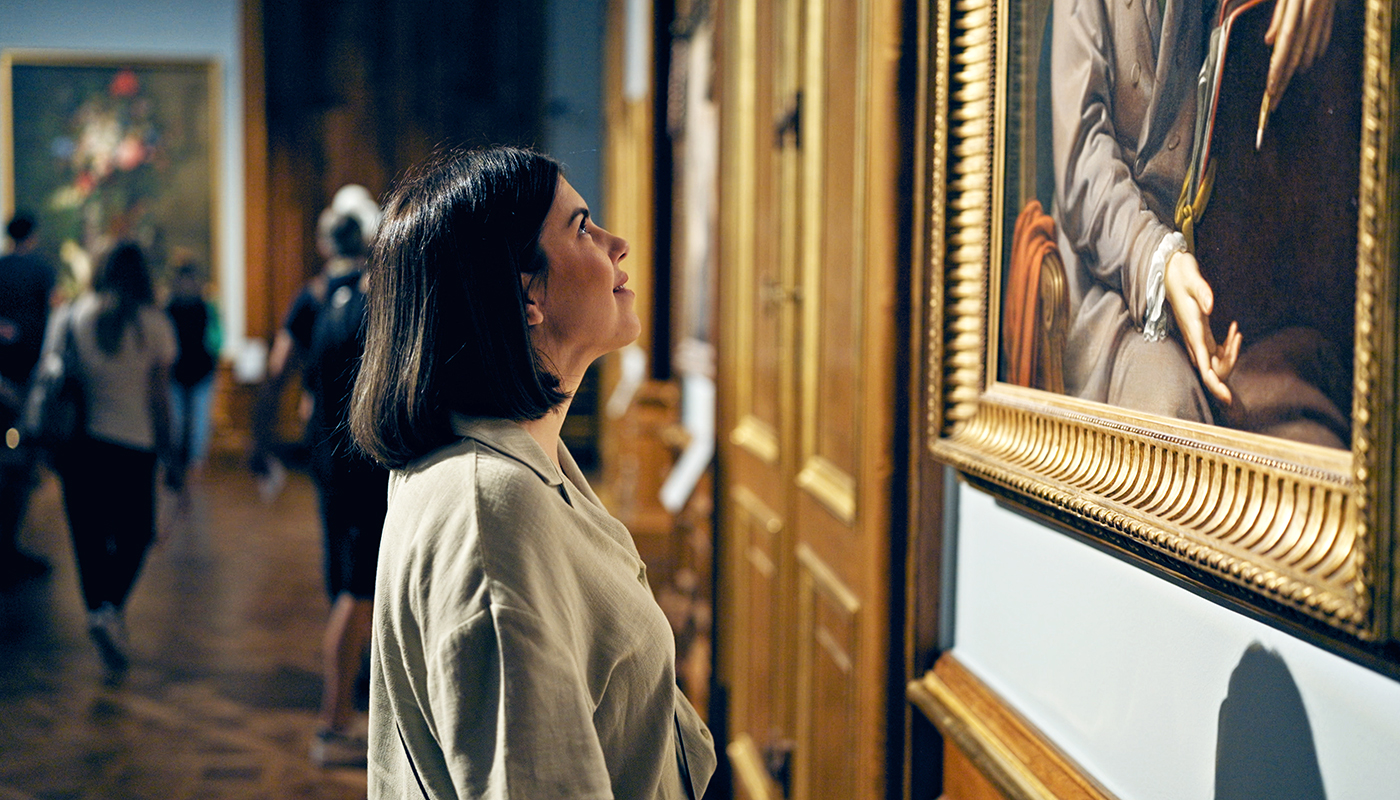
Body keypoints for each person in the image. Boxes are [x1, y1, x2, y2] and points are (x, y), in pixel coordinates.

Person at [349, 146, 716, 799]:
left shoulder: (526, 464)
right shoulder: (493, 507)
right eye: (582, 227)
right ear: (527, 293)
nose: (618, 243)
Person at [1050, 0, 1339, 426]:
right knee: (1173, 413)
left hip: (1228, 286)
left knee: (1311, 419)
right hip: (1110, 283)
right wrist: (1160, 263)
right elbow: (1082, 172)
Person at [48, 242, 175, 680]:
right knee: (137, 534)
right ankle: (111, 608)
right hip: (133, 447)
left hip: (82, 447)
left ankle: (98, 609)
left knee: (88, 536)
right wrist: (171, 452)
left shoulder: (76, 315)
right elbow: (160, 399)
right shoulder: (154, 325)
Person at [303, 215, 389, 767]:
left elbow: (313, 386)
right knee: (356, 592)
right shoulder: (363, 308)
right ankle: (332, 727)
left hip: (333, 463)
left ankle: (338, 721)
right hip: (359, 468)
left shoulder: (329, 302)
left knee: (349, 587)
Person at [250, 186, 379, 489]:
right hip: (373, 432)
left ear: (325, 244)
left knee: (334, 527)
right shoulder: (378, 296)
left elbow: (278, 369)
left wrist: (261, 437)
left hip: (324, 429)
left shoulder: (312, 297)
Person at [0, 214, 58, 587]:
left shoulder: (2, 269)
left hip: (4, 382)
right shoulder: (40, 270)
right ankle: (8, 548)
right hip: (24, 382)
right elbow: (46, 325)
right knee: (18, 467)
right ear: (32, 236)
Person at [164, 261, 220, 493]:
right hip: (176, 371)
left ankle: (196, 462)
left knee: (199, 420)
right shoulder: (169, 308)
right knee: (175, 420)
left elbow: (217, 337)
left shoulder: (206, 307)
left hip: (200, 370)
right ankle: (175, 462)